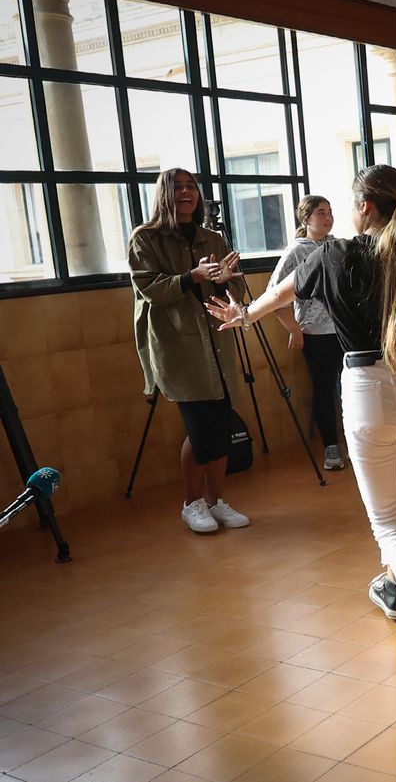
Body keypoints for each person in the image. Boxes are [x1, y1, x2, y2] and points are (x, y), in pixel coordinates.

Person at [209, 120, 396, 654]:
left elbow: (279, 295)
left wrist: (242, 315)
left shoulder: (331, 256)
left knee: (387, 519)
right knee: (394, 485)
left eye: (352, 204)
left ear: (366, 208)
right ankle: (393, 584)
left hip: (369, 392)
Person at [129, 168, 252, 534]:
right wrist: (191, 277)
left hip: (217, 342)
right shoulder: (145, 238)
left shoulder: (211, 237)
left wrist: (229, 282)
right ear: (164, 195)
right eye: (178, 187)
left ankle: (216, 502)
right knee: (201, 430)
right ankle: (191, 503)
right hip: (179, 348)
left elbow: (239, 291)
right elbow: (149, 288)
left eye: (191, 187)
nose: (187, 193)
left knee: (221, 425)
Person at [268, 194, 346, 471]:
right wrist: (293, 329)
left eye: (329, 211)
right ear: (306, 219)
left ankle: (356, 440)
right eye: (320, 213)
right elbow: (274, 295)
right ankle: (331, 447)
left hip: (344, 329)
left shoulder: (337, 245)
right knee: (324, 390)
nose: (327, 217)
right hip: (315, 332)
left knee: (351, 387)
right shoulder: (296, 251)